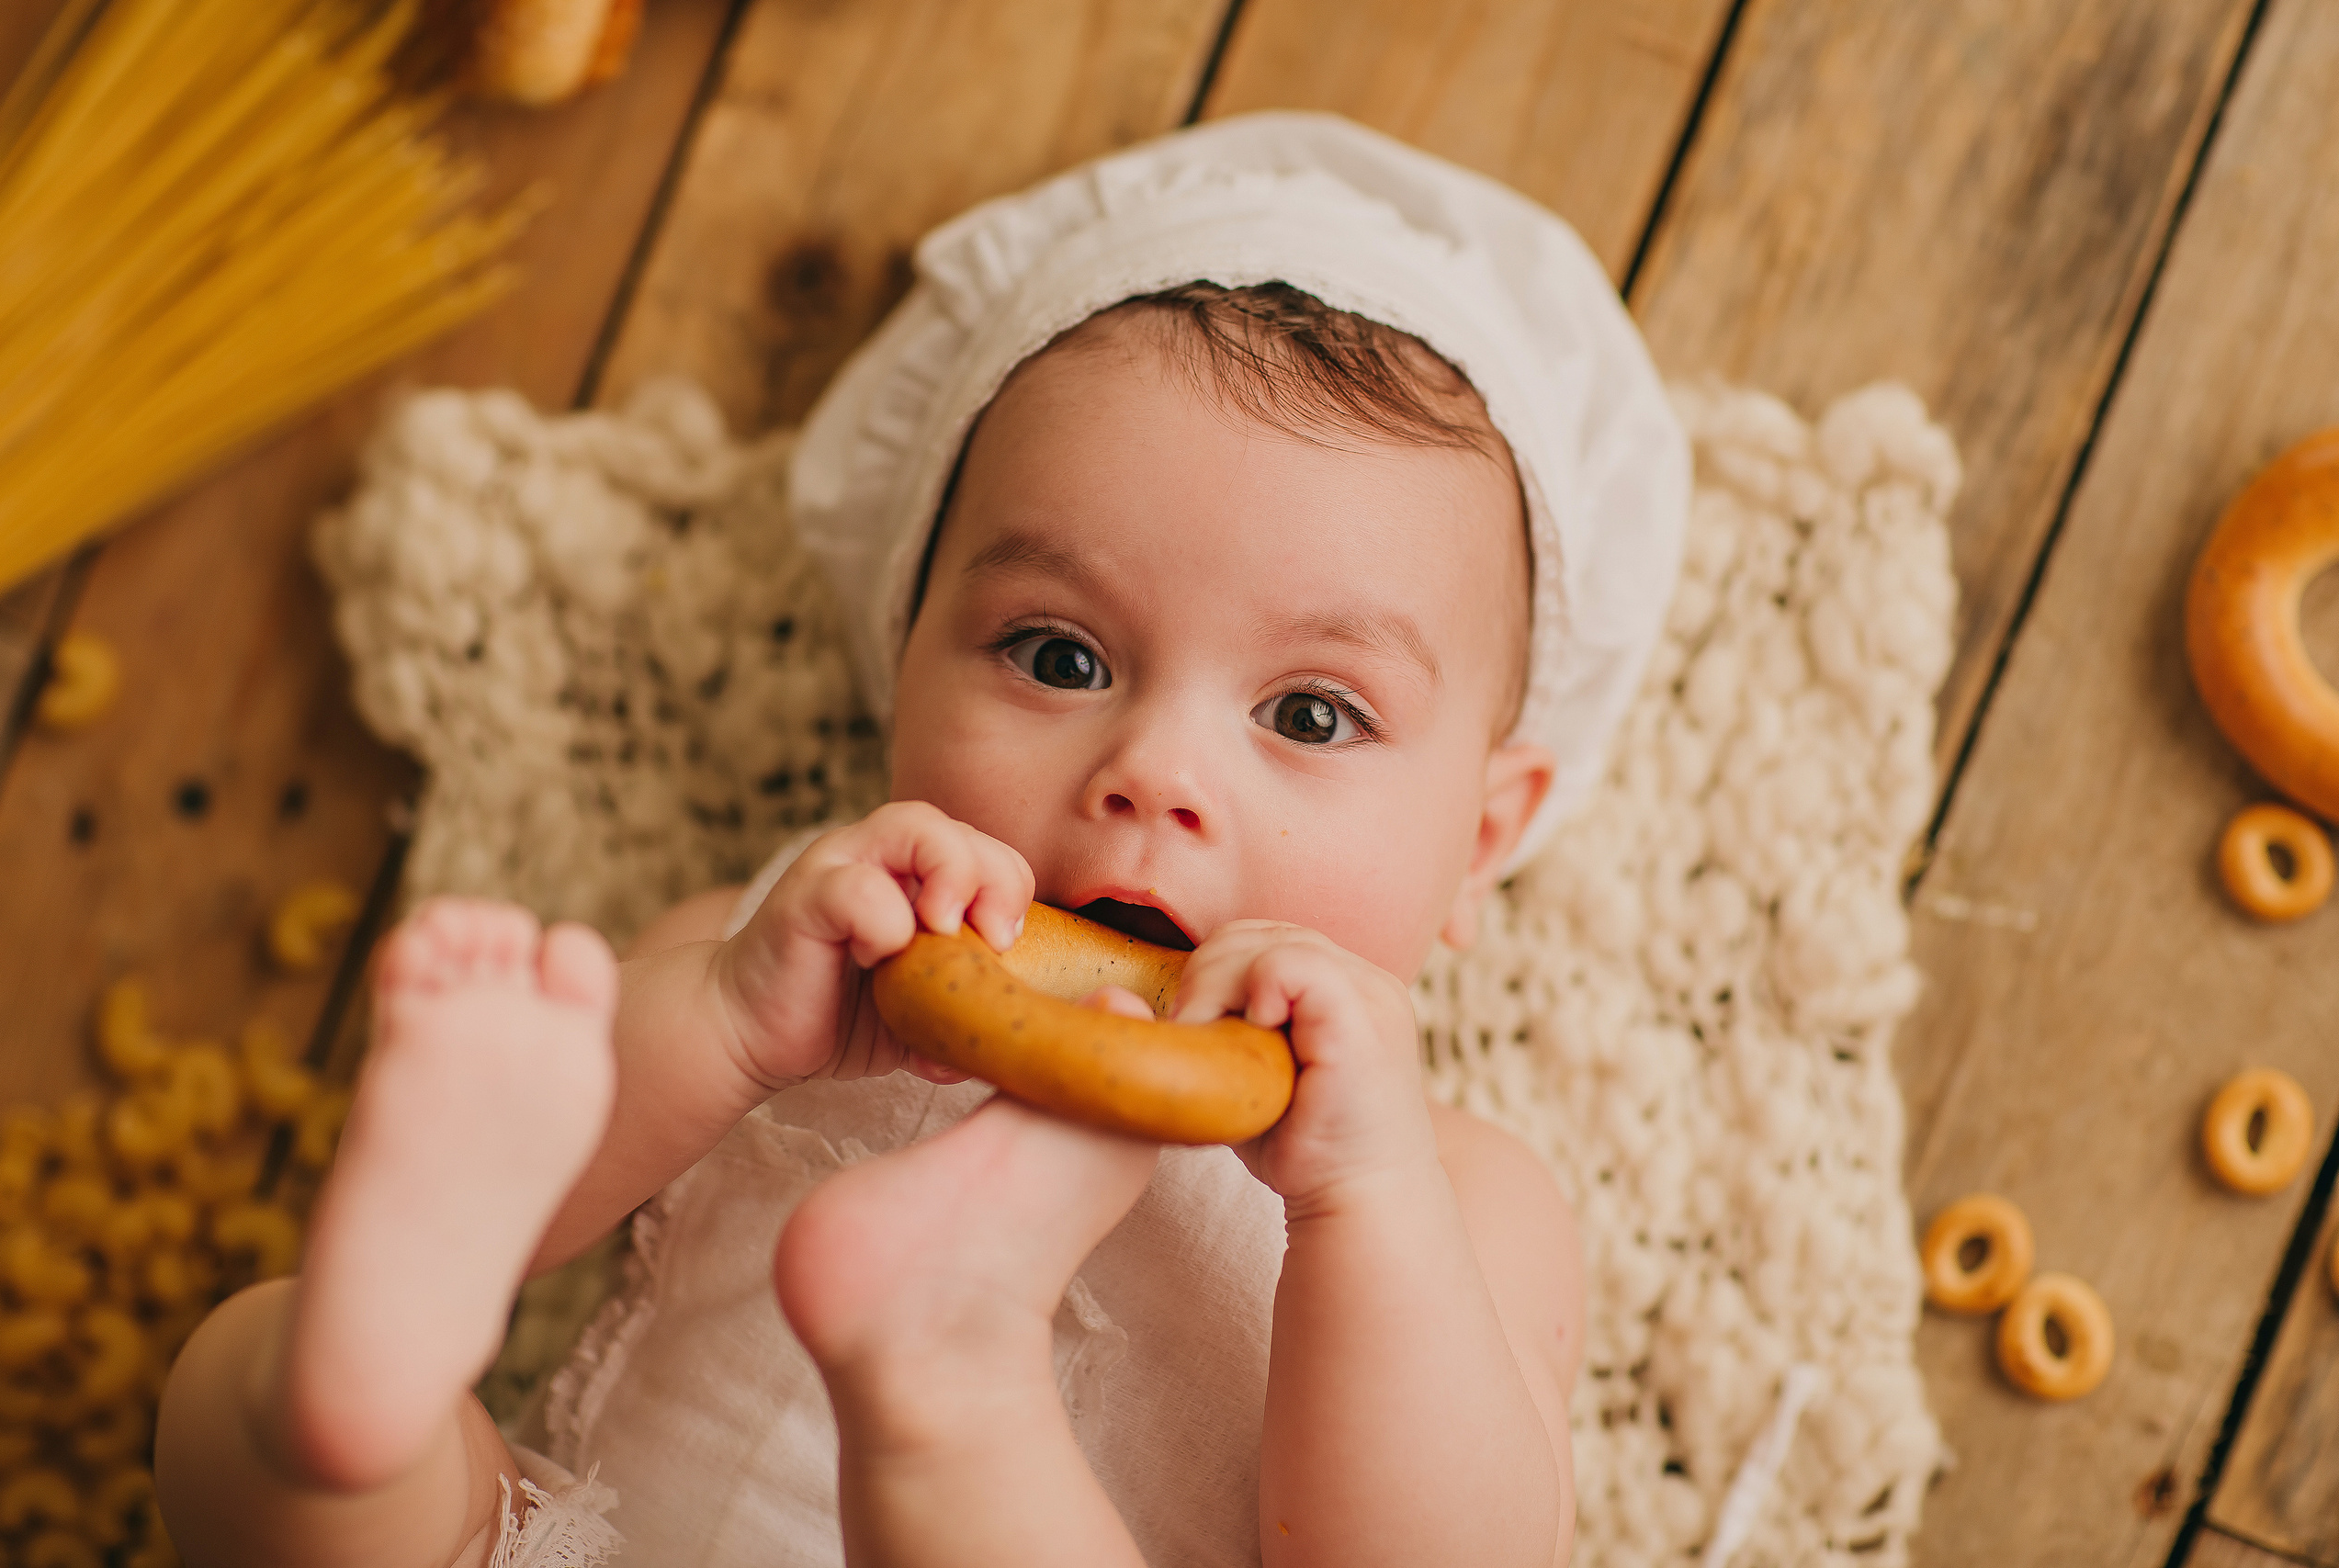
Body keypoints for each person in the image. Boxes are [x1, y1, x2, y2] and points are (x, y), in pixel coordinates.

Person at [153, 112, 1689, 1567]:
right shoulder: (792, 958)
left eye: (1309, 715)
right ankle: (352, 1396)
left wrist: (1360, 1201)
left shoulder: (1451, 1188)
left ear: (1484, 837)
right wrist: (724, 1023)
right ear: (906, 666)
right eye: (1059, 657)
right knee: (248, 1411)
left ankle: (953, 1374)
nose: (1152, 776)